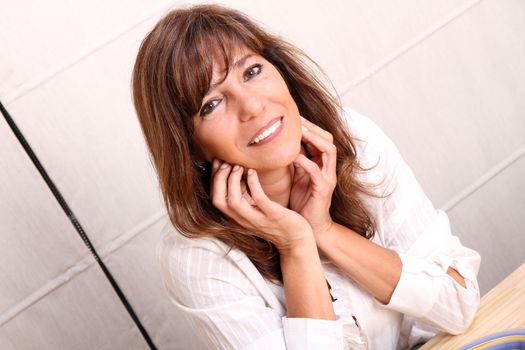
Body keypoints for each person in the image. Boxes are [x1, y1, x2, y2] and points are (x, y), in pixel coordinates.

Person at [131, 4, 481, 349]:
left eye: (251, 72)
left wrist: (325, 231)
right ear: (190, 148)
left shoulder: (354, 139)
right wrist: (295, 244)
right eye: (211, 104)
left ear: (280, 71)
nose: (252, 106)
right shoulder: (195, 255)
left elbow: (458, 304)